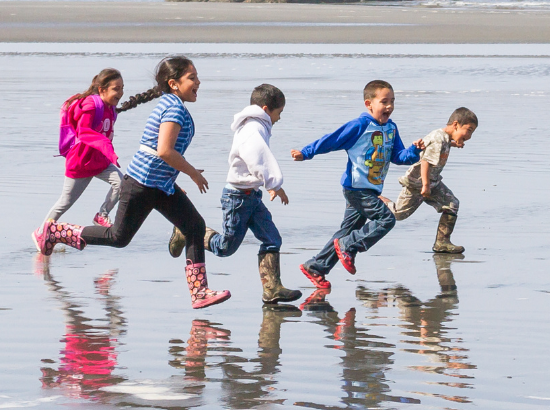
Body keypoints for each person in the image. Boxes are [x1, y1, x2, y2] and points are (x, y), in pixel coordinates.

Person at [35, 56, 230, 310]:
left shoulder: (173, 104)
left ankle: (199, 292)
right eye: (192, 78)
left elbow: (162, 154)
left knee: (194, 225)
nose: (198, 82)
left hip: (160, 185)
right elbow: (164, 151)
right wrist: (191, 172)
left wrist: (176, 175)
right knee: (118, 237)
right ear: (173, 83)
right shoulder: (173, 108)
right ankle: (57, 232)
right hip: (142, 184)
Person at [169, 84, 301, 304]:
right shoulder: (253, 129)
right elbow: (256, 156)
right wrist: (273, 183)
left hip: (252, 196)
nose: (279, 119)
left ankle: (272, 288)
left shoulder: (257, 125)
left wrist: (267, 184)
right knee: (225, 248)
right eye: (279, 114)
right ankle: (187, 232)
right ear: (267, 109)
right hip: (237, 198)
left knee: (272, 239)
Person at [291, 80, 424, 289]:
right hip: (356, 189)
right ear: (368, 104)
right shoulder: (360, 126)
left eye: (392, 101)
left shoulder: (391, 128)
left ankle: (316, 267)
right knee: (386, 219)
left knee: (347, 231)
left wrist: (414, 151)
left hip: (371, 189)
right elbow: (331, 140)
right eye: (384, 102)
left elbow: (398, 156)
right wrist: (306, 153)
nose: (389, 106)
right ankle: (349, 246)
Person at [32, 69, 124, 252]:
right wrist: (107, 146)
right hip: (81, 163)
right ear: (102, 90)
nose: (120, 93)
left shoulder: (110, 108)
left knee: (122, 183)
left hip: (100, 161)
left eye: (122, 88)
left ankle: (102, 214)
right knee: (65, 202)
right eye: (116, 89)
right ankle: (41, 232)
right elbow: (83, 131)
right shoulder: (91, 105)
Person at [380, 107, 478, 254]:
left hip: (433, 182)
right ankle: (374, 199)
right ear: (456, 124)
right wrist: (425, 185)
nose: (470, 135)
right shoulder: (438, 137)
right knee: (398, 214)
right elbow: (425, 161)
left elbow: (437, 146)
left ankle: (442, 243)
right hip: (417, 183)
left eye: (472, 132)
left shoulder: (444, 138)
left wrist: (453, 144)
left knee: (452, 204)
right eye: (469, 130)